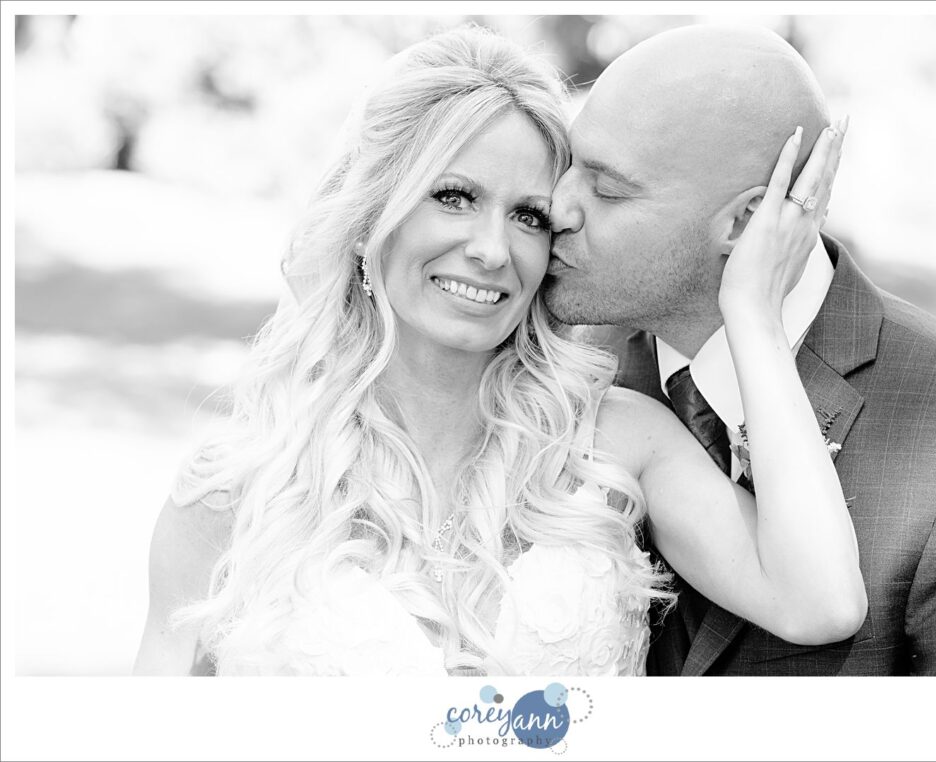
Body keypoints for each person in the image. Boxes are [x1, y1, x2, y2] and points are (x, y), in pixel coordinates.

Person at [132, 25, 860, 677]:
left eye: (527, 215)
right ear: (368, 215)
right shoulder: (234, 494)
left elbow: (818, 603)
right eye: (453, 197)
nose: (490, 250)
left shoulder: (615, 441)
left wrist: (752, 313)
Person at [544, 24, 936, 676]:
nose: (556, 207)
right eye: (569, 164)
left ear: (744, 221)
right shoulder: (554, 373)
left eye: (607, 187)